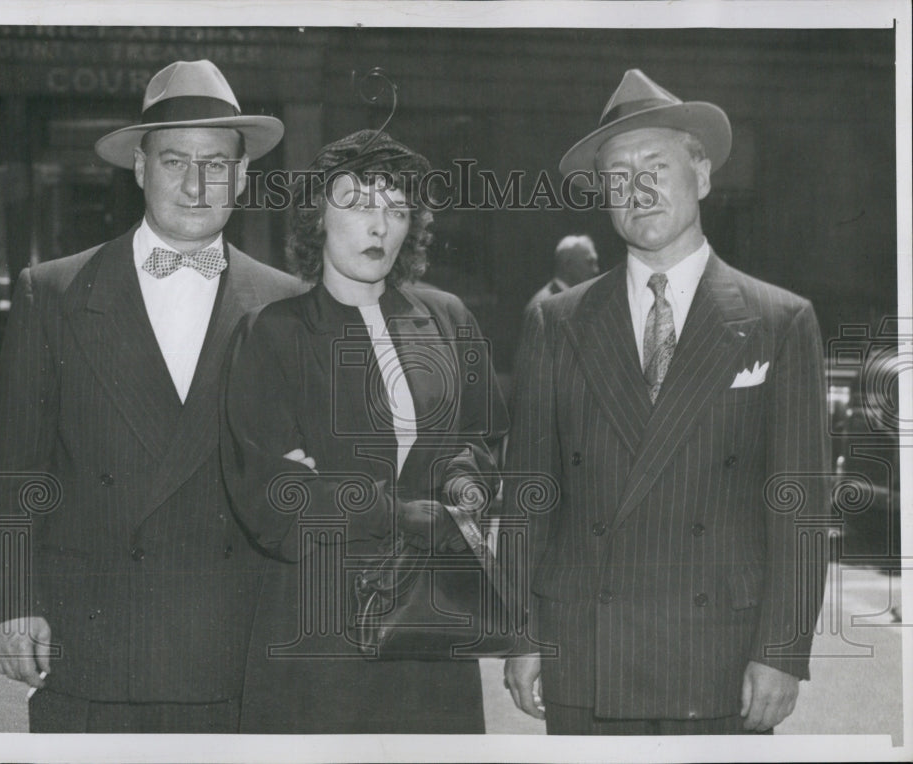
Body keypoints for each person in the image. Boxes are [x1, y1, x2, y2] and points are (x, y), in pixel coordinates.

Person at [503, 69, 830, 735]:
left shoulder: (779, 320)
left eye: (657, 164)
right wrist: (522, 635)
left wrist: (782, 651)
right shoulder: (557, 322)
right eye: (618, 174)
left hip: (720, 658)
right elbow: (528, 496)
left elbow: (798, 504)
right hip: (586, 651)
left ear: (702, 176)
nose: (638, 187)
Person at [0, 59, 305, 733]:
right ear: (139, 167)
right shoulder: (56, 292)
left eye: (216, 164)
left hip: (238, 645)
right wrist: (12, 601)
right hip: (94, 643)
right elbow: (14, 464)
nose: (195, 184)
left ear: (244, 175)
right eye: (174, 161)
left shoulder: (289, 304)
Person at [221, 129, 509, 733]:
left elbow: (479, 439)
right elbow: (270, 493)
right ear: (317, 217)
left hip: (427, 628)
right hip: (316, 629)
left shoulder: (447, 317)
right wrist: (396, 513)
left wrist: (463, 484)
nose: (378, 226)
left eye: (396, 210)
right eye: (357, 204)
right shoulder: (272, 332)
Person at [524, 234, 600, 313]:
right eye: (589, 262)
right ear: (567, 264)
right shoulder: (540, 307)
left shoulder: (586, 299)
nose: (596, 270)